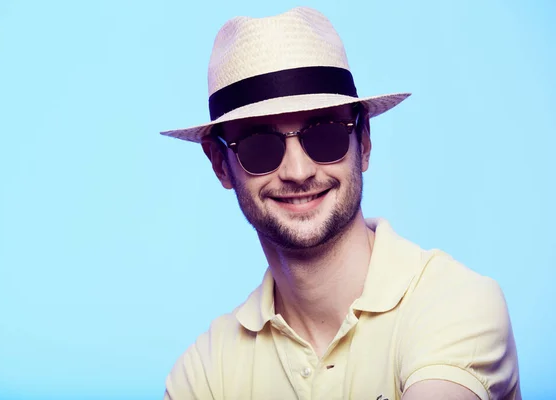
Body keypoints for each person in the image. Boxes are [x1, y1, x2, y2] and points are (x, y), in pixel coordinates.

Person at [160, 7, 521, 400]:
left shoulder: (455, 302)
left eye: (325, 134)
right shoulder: (205, 373)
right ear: (221, 165)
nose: (297, 171)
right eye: (259, 146)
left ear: (363, 142)